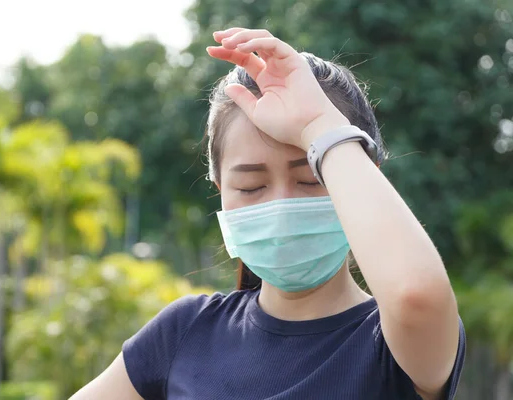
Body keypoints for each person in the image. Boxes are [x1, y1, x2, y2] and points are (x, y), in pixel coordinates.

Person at [70, 27, 466, 400]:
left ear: (361, 181)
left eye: (311, 179)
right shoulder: (184, 331)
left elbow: (416, 297)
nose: (280, 206)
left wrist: (319, 127)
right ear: (220, 190)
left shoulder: (390, 345)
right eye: (251, 187)